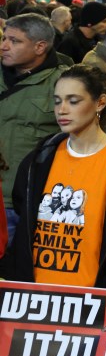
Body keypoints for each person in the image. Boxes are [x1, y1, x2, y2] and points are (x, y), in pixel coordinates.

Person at [0, 64, 106, 343]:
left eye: (73, 101)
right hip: (31, 309)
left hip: (90, 312)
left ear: (100, 103)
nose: (62, 110)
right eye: (57, 101)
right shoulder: (40, 159)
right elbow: (24, 228)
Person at [0, 13, 68, 241]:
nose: (4, 46)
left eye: (14, 41)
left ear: (40, 47)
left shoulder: (64, 84)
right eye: (4, 39)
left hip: (28, 201)